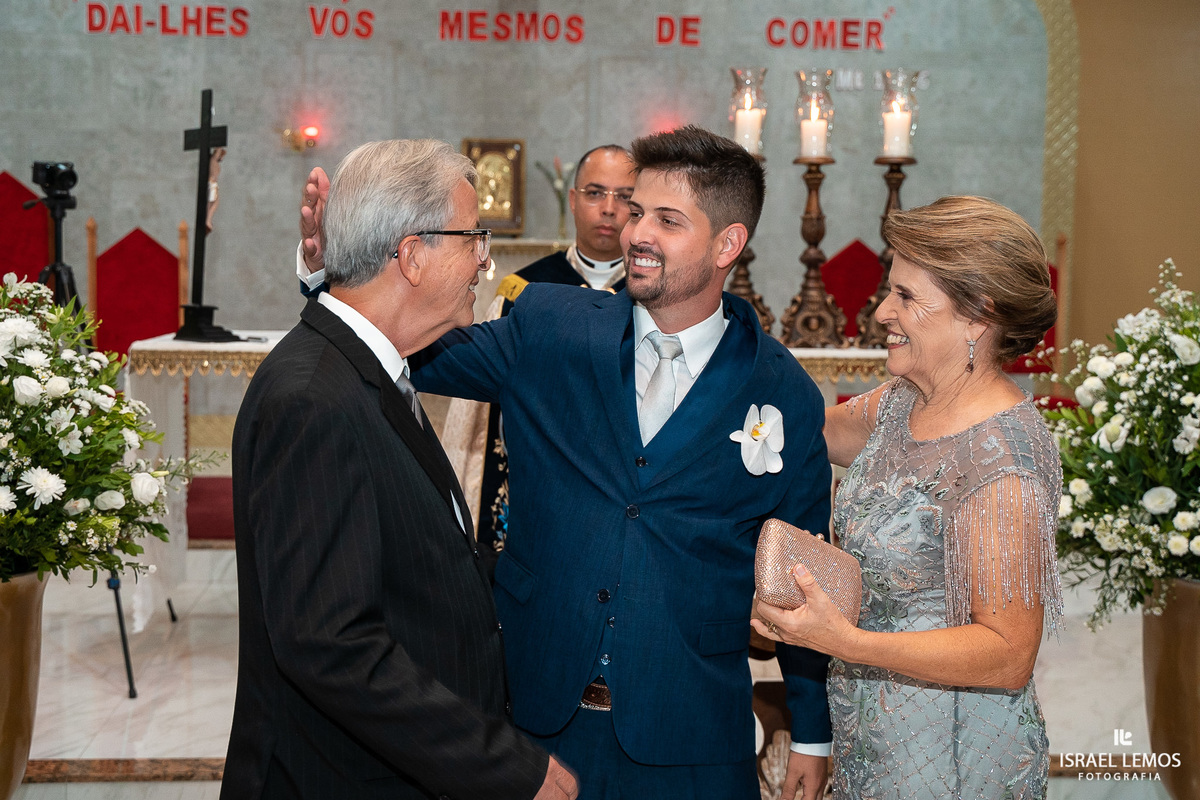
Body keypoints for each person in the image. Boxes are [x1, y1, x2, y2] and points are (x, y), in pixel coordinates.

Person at [298, 126, 834, 800]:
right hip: (533, 721)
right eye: (637, 211)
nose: (636, 231)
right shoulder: (551, 326)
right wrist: (335, 277)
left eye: (667, 220)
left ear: (728, 243)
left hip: (691, 736)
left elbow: (802, 579)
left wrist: (812, 732)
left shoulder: (782, 392)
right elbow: (404, 344)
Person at [225, 139, 576, 800]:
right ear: (412, 255)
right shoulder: (313, 401)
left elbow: (411, 578)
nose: (485, 257)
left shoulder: (372, 371)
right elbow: (332, 645)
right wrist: (500, 765)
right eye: (473, 236)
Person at [753, 196, 1064, 799]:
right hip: (874, 730)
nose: (881, 313)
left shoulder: (1004, 455)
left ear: (978, 314)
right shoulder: (901, 402)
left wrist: (845, 642)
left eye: (906, 296)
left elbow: (1006, 654)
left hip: (949, 753)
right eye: (888, 291)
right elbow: (802, 435)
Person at [448, 144, 636, 551]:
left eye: (625, 197)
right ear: (573, 199)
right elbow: (477, 413)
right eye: (594, 193)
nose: (608, 208)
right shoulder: (525, 290)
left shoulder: (655, 297)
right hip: (531, 485)